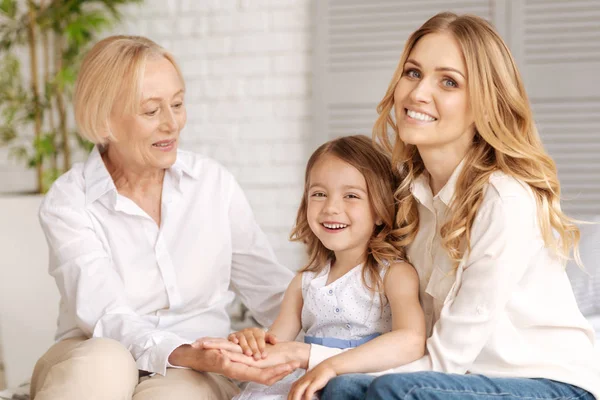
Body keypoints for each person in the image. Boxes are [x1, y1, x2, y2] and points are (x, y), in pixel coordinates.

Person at [307, 12, 600, 400]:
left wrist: (333, 364)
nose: (417, 94)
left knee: (392, 390)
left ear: (484, 103)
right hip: (459, 378)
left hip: (547, 384)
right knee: (339, 389)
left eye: (448, 82)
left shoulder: (504, 199)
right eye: (413, 73)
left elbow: (447, 356)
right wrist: (322, 363)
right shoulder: (410, 196)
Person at [30, 35, 297, 400]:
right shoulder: (69, 200)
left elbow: (273, 292)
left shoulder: (212, 184)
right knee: (106, 361)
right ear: (105, 119)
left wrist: (346, 337)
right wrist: (192, 353)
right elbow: (107, 317)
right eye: (152, 111)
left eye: (178, 104)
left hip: (193, 370)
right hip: (91, 354)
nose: (172, 124)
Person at [219, 135, 426, 400]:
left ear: (379, 210)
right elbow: (275, 347)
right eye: (319, 194)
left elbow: (411, 340)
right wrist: (251, 343)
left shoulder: (394, 274)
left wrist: (329, 364)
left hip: (356, 384)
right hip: (304, 382)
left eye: (351, 195)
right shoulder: (305, 282)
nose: (331, 208)